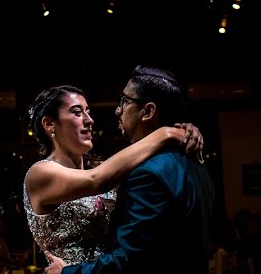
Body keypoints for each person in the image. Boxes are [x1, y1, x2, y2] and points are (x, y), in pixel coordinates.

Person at [42, 67, 215, 274]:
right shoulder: (196, 162)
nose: (118, 110)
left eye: (124, 101)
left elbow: (130, 261)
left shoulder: (147, 174)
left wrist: (66, 272)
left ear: (148, 111)